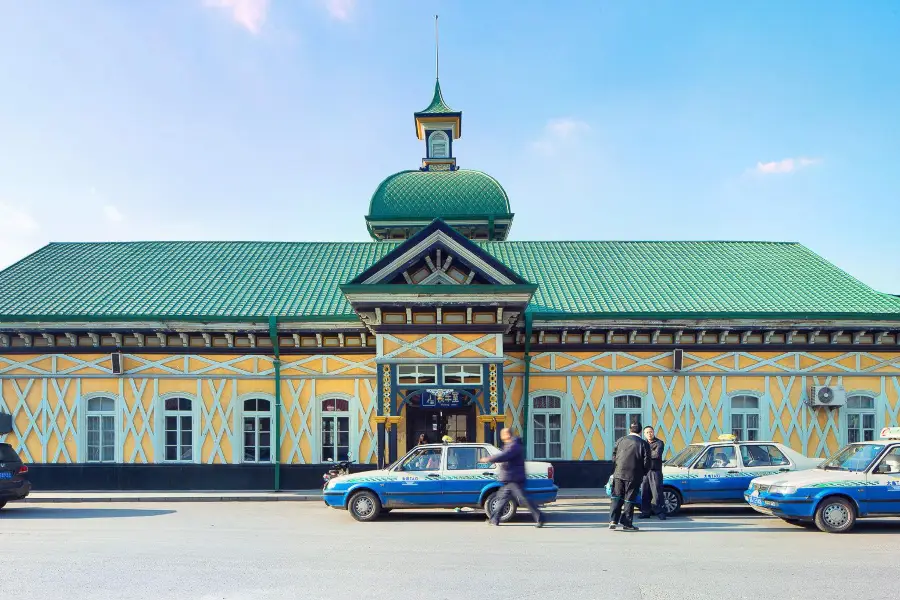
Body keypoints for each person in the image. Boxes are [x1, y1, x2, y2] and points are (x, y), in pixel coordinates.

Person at [482, 427, 545, 528]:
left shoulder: (514, 445)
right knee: (501, 499)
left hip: (515, 478)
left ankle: (540, 517)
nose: (501, 436)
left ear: (507, 435)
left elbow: (505, 456)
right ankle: (494, 519)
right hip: (510, 478)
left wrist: (489, 459)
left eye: (503, 434)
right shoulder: (510, 445)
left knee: (524, 499)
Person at [609, 421, 651, 531]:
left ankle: (613, 520)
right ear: (641, 432)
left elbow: (614, 456)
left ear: (629, 430)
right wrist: (643, 473)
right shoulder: (643, 443)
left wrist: (616, 469)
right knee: (629, 499)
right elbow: (647, 462)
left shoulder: (620, 440)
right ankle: (627, 523)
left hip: (619, 473)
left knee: (617, 496)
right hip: (634, 475)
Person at [639, 426, 666, 520]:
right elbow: (639, 455)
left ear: (653, 432)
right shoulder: (642, 443)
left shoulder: (659, 443)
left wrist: (645, 454)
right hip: (645, 472)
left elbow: (656, 454)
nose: (649, 434)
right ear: (644, 434)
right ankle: (645, 512)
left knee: (657, 492)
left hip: (655, 471)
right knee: (644, 492)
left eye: (651, 432)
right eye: (647, 432)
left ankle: (660, 512)